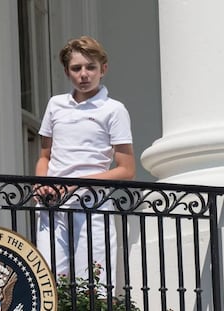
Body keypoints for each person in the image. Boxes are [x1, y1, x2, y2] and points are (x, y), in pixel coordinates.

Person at [35, 36, 136, 293]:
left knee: (93, 287)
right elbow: (44, 156)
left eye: (90, 67)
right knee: (50, 284)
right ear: (67, 72)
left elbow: (126, 169)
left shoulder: (114, 110)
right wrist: (41, 185)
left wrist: (74, 186)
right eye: (76, 68)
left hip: (93, 205)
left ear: (103, 69)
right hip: (52, 207)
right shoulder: (55, 105)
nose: (84, 74)